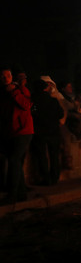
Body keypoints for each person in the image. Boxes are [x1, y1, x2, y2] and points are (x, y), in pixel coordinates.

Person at [0, 67, 34, 203]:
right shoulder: (2, 93)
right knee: (16, 162)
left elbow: (27, 105)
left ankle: (13, 195)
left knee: (14, 160)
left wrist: (14, 92)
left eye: (7, 75)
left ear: (11, 77)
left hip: (23, 131)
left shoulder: (20, 90)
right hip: (12, 132)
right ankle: (21, 193)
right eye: (2, 76)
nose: (4, 78)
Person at [30, 78, 64, 185]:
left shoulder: (33, 101)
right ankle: (55, 177)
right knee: (54, 156)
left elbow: (33, 114)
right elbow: (61, 114)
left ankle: (46, 178)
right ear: (45, 88)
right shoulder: (53, 100)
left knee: (42, 156)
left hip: (40, 132)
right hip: (54, 131)